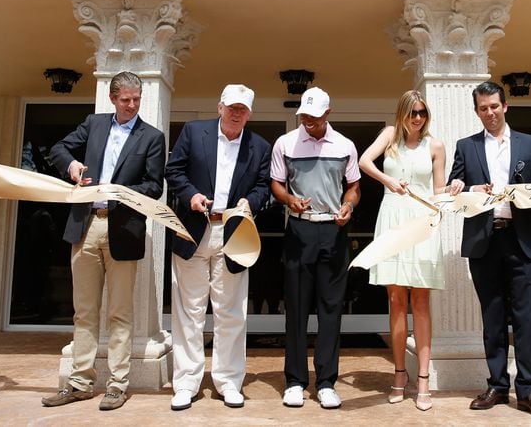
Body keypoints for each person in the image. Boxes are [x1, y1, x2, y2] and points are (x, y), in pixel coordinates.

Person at [43, 71, 166, 411]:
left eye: (136, 99)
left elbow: (154, 186)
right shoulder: (94, 124)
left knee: (120, 313)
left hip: (123, 229)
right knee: (84, 312)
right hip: (85, 227)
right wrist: (71, 167)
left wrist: (120, 192)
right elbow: (59, 149)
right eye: (125, 99)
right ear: (113, 98)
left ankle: (117, 384)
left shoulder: (152, 137)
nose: (131, 105)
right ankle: (80, 382)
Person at [448, 81, 531, 420]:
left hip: (522, 241)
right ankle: (497, 385)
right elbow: (455, 188)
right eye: (483, 108)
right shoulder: (466, 147)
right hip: (485, 241)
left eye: (494, 106)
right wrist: (465, 187)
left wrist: (520, 191)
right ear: (477, 111)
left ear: (505, 106)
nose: (490, 113)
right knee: (492, 319)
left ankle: (529, 391)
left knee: (525, 320)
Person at [165, 84, 271, 411]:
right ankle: (186, 383)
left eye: (243, 109)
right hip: (194, 230)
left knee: (230, 312)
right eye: (232, 107)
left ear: (249, 114)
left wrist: (248, 203)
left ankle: (228, 382)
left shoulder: (260, 146)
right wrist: (190, 195)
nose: (237, 113)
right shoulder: (194, 132)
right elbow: (174, 170)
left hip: (234, 232)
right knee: (189, 312)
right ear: (220, 107)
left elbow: (263, 186)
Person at [358, 90, 462, 411]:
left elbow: (439, 190)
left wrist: (454, 188)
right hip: (392, 218)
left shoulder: (436, 145)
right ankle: (400, 374)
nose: (418, 118)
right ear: (402, 113)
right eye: (413, 112)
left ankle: (425, 379)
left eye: (422, 112)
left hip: (422, 220)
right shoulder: (389, 136)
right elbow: (364, 161)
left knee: (421, 301)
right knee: (395, 300)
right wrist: (388, 181)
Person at [270, 87, 360, 410]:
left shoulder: (345, 146)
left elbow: (353, 188)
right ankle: (294, 380)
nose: (307, 123)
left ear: (328, 113)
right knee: (295, 308)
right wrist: (289, 199)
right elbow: (276, 184)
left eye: (314, 118)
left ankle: (326, 382)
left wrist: (348, 206)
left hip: (334, 230)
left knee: (330, 309)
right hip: (299, 228)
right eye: (304, 117)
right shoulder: (286, 144)